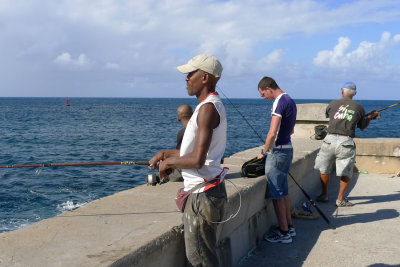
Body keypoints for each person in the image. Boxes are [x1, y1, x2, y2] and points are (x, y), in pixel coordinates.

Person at [149, 54, 228, 266]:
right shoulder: (208, 107)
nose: (186, 79)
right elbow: (196, 152)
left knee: (200, 260)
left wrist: (169, 164)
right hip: (209, 191)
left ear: (205, 77)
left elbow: (198, 160)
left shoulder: (207, 109)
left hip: (203, 196)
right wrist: (166, 154)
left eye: (190, 74)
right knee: (206, 256)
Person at [314, 82, 379, 207]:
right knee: (346, 172)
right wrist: (370, 117)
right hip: (346, 141)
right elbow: (362, 126)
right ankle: (340, 199)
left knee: (324, 168)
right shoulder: (359, 108)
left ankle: (324, 195)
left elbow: (331, 116)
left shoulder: (332, 104)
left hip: (329, 139)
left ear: (342, 91)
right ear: (354, 93)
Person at [256, 76, 297, 244]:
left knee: (276, 193)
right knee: (284, 191)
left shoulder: (279, 102)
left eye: (263, 94)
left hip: (278, 152)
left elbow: (272, 133)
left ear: (268, 88)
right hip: (288, 148)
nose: (264, 98)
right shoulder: (290, 100)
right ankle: (289, 226)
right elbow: (291, 130)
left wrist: (264, 152)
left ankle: (283, 232)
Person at [169, 104, 193, 182]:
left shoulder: (182, 133)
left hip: (191, 171)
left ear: (178, 118)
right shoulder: (202, 129)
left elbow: (180, 156)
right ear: (192, 115)